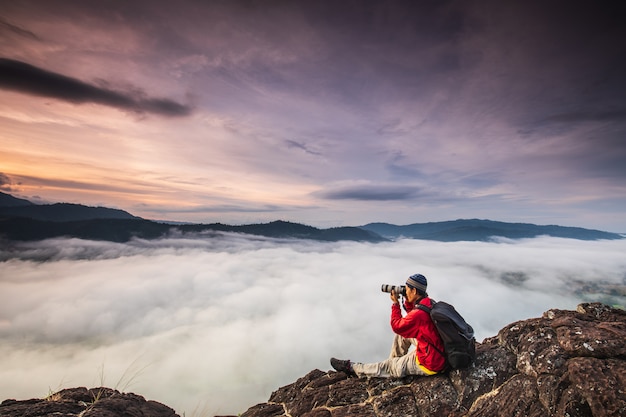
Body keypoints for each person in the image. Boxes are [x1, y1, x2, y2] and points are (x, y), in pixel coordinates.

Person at [330, 273, 445, 378]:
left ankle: (352, 368)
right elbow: (412, 321)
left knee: (387, 365)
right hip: (436, 349)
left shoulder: (419, 314)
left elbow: (397, 326)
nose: (405, 291)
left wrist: (395, 304)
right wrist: (408, 301)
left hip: (431, 362)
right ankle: (394, 365)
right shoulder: (429, 303)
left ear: (414, 291)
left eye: (407, 289)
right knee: (401, 336)